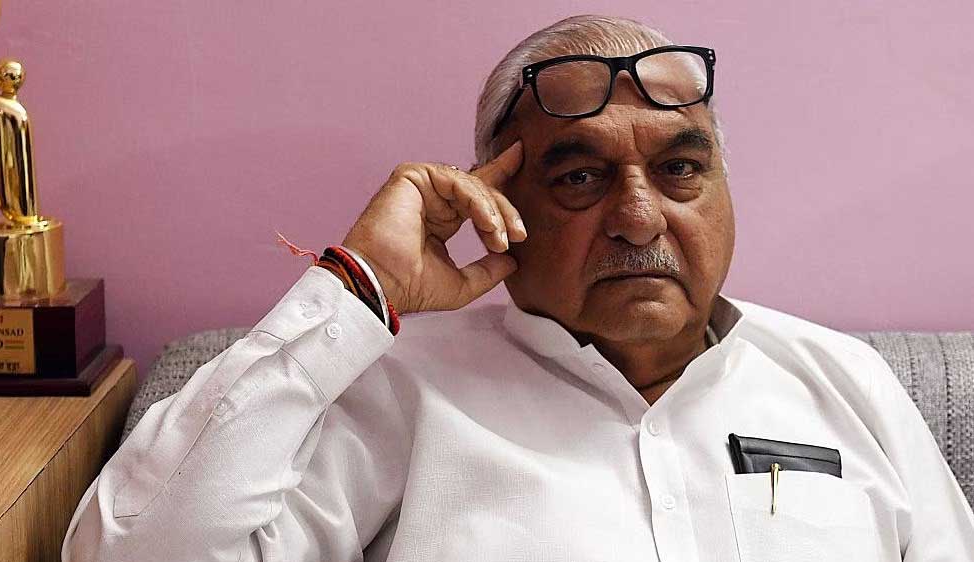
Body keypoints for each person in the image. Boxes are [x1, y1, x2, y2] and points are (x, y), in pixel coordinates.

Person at [62, 14, 974, 562]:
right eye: (579, 178)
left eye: (679, 170)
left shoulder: (842, 381)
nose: (638, 219)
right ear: (497, 206)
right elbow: (133, 554)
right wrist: (358, 288)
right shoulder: (393, 392)